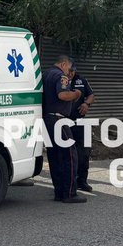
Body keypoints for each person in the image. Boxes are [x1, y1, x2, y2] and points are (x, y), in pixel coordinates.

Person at [42, 55, 85, 203]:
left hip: (47, 120)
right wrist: (76, 94)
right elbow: (63, 94)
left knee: (55, 157)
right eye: (69, 68)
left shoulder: (45, 74)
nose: (69, 72)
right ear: (64, 64)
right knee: (70, 156)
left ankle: (59, 192)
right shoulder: (61, 76)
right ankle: (69, 193)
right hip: (58, 120)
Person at [68, 63, 95, 193]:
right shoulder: (61, 80)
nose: (71, 73)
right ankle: (68, 182)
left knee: (84, 153)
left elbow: (91, 95)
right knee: (67, 154)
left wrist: (86, 103)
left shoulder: (81, 80)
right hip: (64, 122)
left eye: (73, 71)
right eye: (69, 70)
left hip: (79, 122)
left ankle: (82, 181)